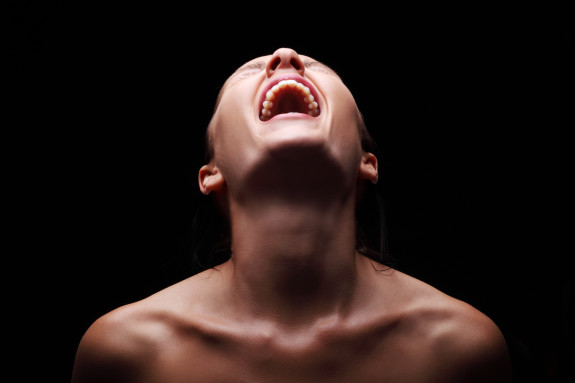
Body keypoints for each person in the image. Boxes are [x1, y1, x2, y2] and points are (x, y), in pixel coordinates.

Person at [71, 48, 512, 382]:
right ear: (210, 174)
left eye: (321, 68)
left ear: (368, 162)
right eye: (247, 71)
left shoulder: (459, 348)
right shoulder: (126, 352)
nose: (286, 57)